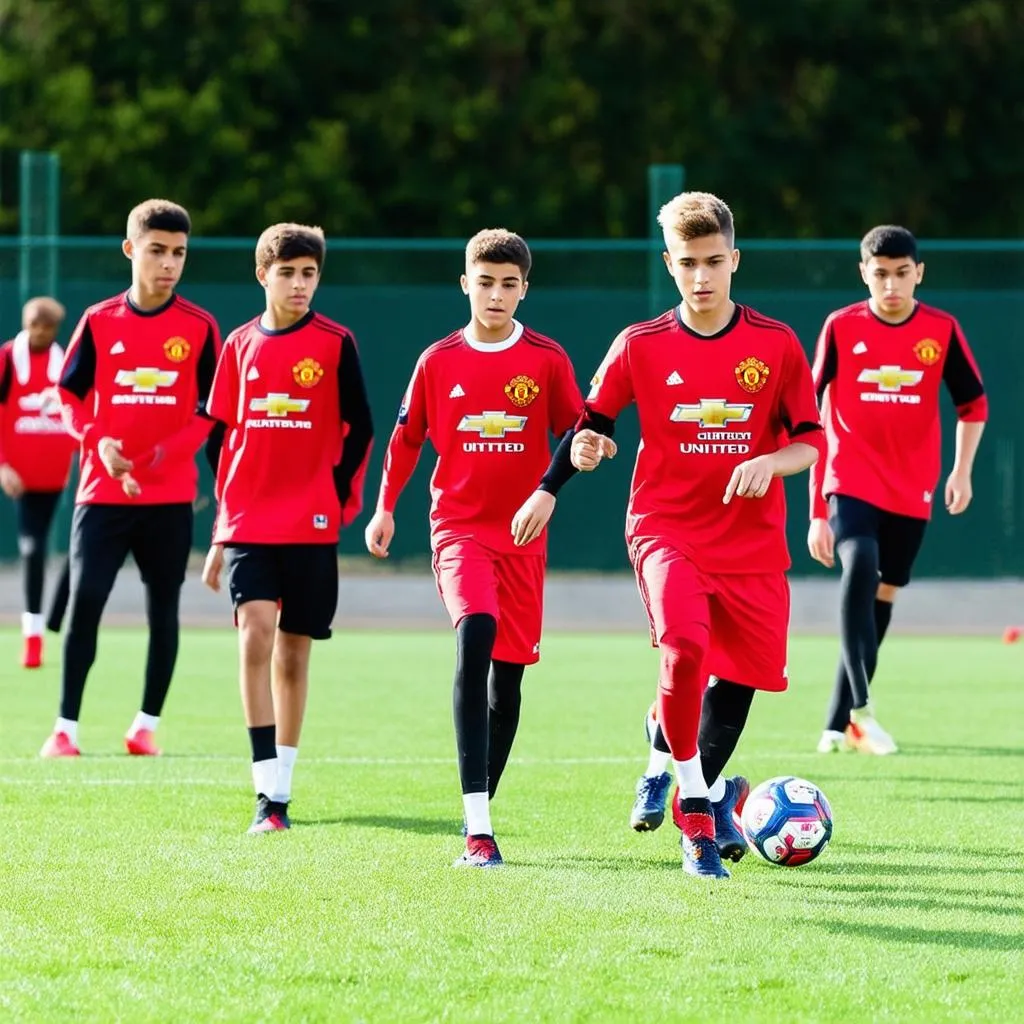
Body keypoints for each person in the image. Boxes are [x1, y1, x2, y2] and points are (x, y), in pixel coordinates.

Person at [517, 192, 824, 879]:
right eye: (688, 263)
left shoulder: (774, 345)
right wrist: (556, 479)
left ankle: (681, 769)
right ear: (669, 263)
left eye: (714, 261)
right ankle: (698, 820)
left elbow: (810, 439)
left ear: (735, 260)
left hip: (751, 544)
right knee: (686, 648)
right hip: (666, 528)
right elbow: (589, 424)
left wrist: (770, 462)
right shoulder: (640, 343)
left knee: (739, 684)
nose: (702, 277)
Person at [364, 228, 583, 868]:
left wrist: (577, 461)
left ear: (524, 289)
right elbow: (406, 441)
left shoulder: (546, 358)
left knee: (507, 684)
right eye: (484, 282)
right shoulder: (437, 361)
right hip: (457, 528)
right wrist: (384, 509)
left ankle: (482, 804)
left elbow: (577, 430)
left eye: (508, 284)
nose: (495, 294)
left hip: (522, 538)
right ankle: (477, 828)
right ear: (465, 283)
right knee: (475, 631)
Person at [201, 223, 373, 834]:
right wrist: (223, 527)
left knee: (294, 655)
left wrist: (336, 495)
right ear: (263, 275)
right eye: (288, 273)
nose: (299, 285)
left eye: (309, 274)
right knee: (256, 636)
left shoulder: (335, 342)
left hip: (311, 521)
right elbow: (219, 437)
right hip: (248, 520)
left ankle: (282, 792)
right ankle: (262, 789)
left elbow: (360, 426)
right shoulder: (238, 345)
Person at [40, 199, 222, 758]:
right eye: (157, 250)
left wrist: (170, 451)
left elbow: (213, 408)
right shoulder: (98, 321)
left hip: (168, 500)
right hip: (101, 492)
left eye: (179, 253)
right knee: (87, 599)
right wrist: (98, 441)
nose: (169, 263)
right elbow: (67, 394)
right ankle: (65, 728)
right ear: (131, 249)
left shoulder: (199, 327)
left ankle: (145, 725)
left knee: (162, 608)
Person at [808, 225, 987, 754]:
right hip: (851, 479)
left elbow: (973, 405)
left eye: (901, 274)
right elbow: (809, 415)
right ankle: (863, 710)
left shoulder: (941, 330)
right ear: (864, 273)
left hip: (913, 489)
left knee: (882, 596)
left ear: (918, 274)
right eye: (880, 274)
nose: (891, 285)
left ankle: (838, 722)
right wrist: (818, 506)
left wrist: (961, 471)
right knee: (860, 564)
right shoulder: (840, 327)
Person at [0, 297, 77, 668]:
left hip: (63, 478)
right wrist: (2, 464)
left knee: (82, 548)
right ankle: (32, 636)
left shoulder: (68, 362)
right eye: (34, 325)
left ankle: (55, 622)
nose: (40, 333)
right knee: (32, 550)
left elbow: (81, 409)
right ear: (25, 323)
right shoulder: (7, 360)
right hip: (24, 481)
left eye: (47, 327)